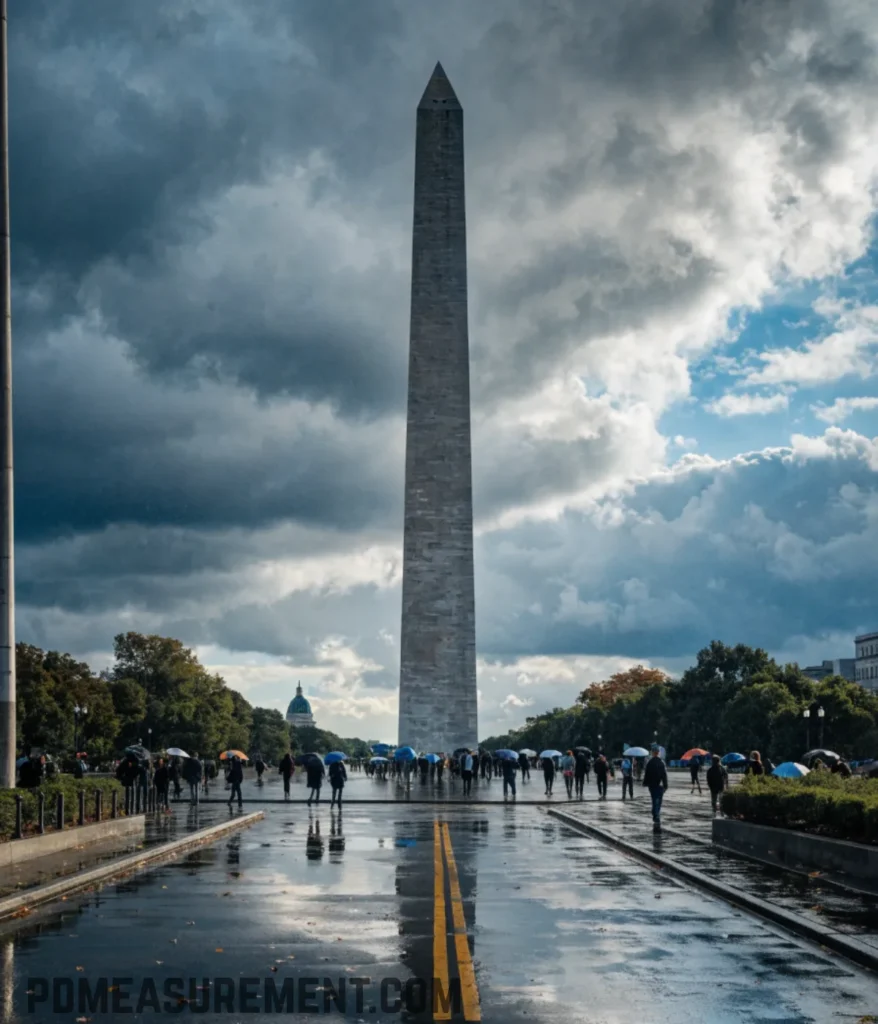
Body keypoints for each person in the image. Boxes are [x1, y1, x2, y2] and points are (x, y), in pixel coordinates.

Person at [643, 744, 669, 832]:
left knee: (654, 800)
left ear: (652, 752)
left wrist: (645, 783)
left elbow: (647, 774)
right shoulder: (662, 763)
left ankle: (655, 814)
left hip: (652, 785)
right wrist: (665, 785)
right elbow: (664, 775)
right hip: (660, 785)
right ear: (658, 753)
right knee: (659, 801)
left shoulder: (649, 763)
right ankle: (656, 814)